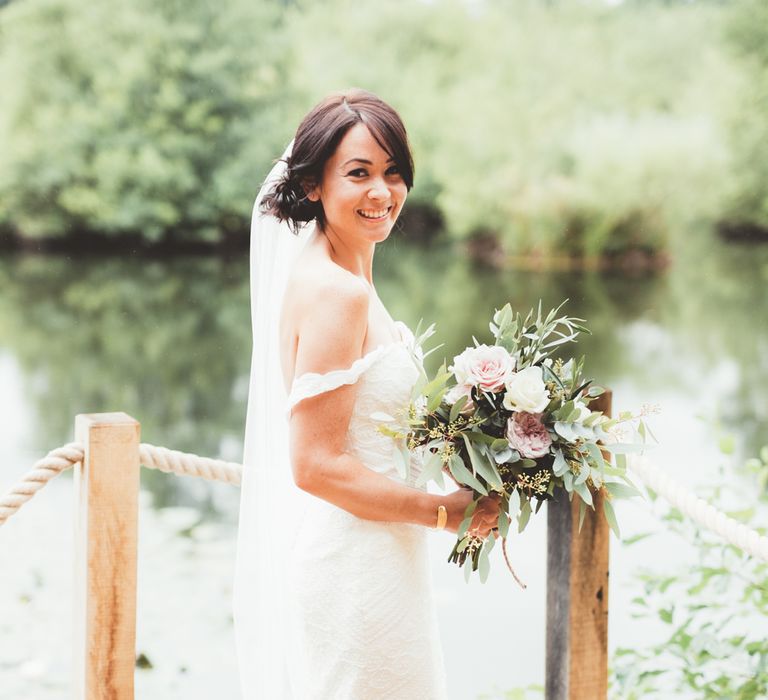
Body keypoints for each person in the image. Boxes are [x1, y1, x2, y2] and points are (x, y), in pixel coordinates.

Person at [234, 88, 501, 700]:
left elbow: (369, 427)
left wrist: (485, 440)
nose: (382, 193)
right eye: (358, 174)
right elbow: (315, 464)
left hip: (379, 551)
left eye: (393, 173)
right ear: (312, 186)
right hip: (356, 565)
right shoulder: (336, 292)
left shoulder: (342, 272)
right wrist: (445, 511)